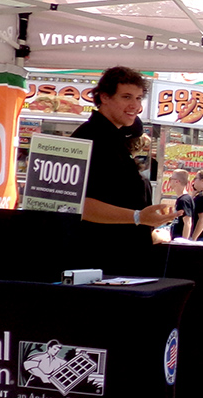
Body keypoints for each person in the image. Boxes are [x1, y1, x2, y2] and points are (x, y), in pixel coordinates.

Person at [71, 66, 179, 274]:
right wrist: (139, 217)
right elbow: (79, 205)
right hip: (103, 262)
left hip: (122, 260)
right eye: (126, 97)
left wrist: (147, 222)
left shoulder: (115, 137)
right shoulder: (93, 139)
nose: (135, 105)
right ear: (104, 97)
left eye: (139, 98)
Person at [168, 169, 194, 240]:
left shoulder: (184, 200)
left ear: (177, 181)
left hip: (180, 240)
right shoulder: (180, 199)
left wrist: (183, 242)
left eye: (171, 178)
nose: (169, 181)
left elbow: (187, 223)